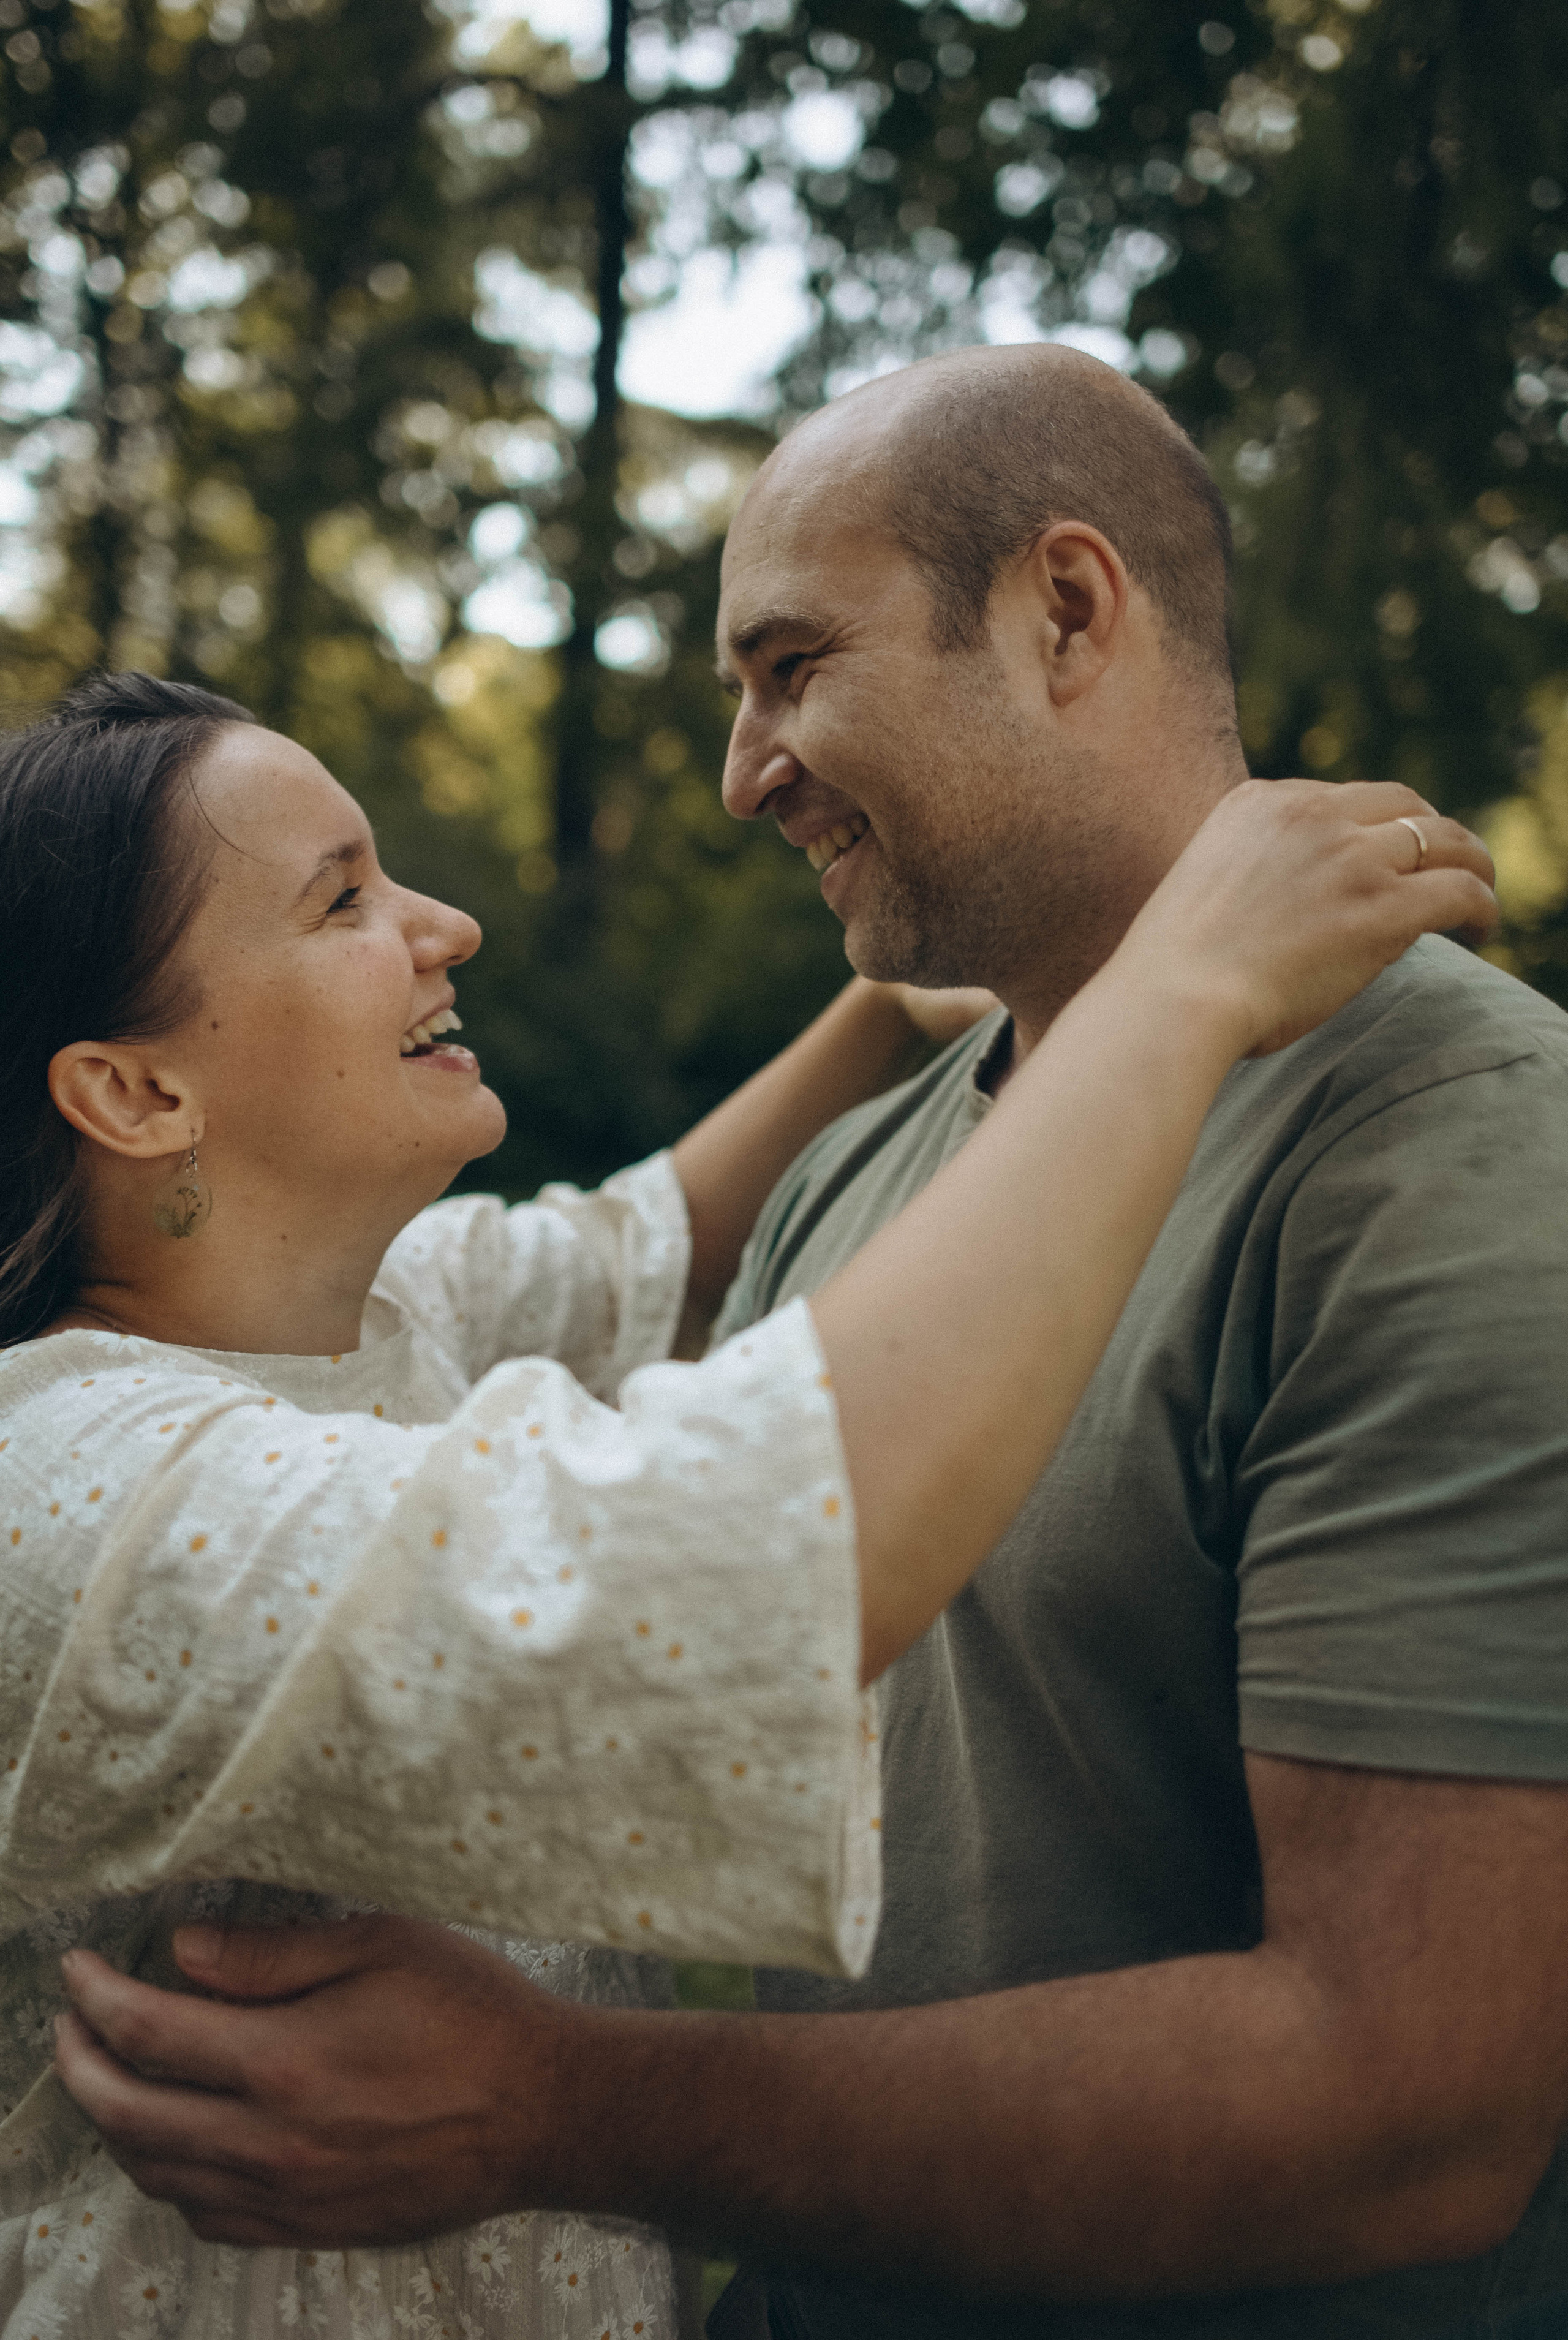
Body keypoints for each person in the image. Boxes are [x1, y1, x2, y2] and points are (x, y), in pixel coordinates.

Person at [59, 343, 1568, 2340]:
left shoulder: (1451, 1140)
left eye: (791, 665)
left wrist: (573, 2102)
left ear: (1065, 611)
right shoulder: (856, 1195)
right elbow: (704, 1538)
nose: (742, 766)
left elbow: (1414, 2109)